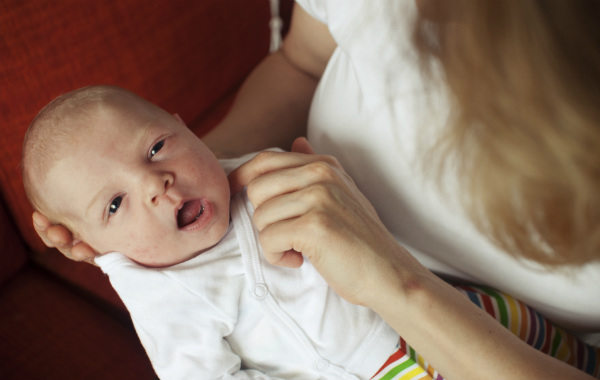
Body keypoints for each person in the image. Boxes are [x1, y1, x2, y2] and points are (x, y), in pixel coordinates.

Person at [32, 1, 600, 379]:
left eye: (158, 148)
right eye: (115, 203)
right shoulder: (164, 294)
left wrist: (401, 285)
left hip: (481, 320)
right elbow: (303, 62)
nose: (157, 184)